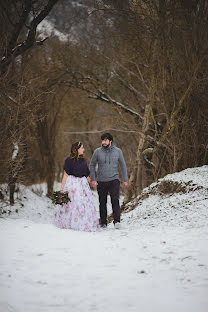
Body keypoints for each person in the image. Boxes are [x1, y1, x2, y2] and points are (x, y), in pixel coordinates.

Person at [54, 141, 100, 232]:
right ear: (76, 149)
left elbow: (86, 174)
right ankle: (71, 224)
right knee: (73, 204)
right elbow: (65, 175)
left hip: (82, 186)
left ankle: (84, 223)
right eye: (82, 148)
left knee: (83, 204)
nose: (84, 149)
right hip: (72, 185)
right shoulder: (68, 160)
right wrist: (62, 189)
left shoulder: (83, 160)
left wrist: (92, 182)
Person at [90, 133, 128, 229]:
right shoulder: (97, 152)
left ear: (110, 141)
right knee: (102, 202)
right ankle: (103, 222)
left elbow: (123, 165)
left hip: (114, 180)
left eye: (105, 140)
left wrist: (125, 179)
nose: (103, 142)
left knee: (115, 201)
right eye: (102, 140)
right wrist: (93, 179)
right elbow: (92, 165)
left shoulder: (118, 151)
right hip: (101, 181)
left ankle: (117, 221)